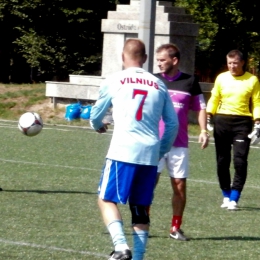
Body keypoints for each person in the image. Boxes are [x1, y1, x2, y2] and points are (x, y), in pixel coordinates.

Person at [90, 39, 179, 260]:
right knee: (140, 207)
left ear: (123, 56)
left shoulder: (115, 80)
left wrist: (97, 125)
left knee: (105, 198)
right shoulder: (159, 84)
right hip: (150, 153)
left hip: (123, 150)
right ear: (146, 59)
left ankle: (121, 247)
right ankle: (139, 257)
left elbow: (95, 115)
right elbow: (173, 124)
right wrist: (160, 150)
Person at [153, 43, 209, 241]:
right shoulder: (153, 81)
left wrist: (203, 130)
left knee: (179, 186)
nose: (158, 63)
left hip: (179, 144)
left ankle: (175, 227)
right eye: (157, 60)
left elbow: (201, 107)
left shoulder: (190, 81)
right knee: (149, 184)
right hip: (155, 143)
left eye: (162, 60)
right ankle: (142, 222)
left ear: (174, 60)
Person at [206, 49, 260, 210]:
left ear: (243, 63)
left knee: (240, 161)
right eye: (229, 63)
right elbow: (214, 98)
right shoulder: (221, 78)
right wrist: (209, 115)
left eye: (235, 63)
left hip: (242, 123)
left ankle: (234, 198)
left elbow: (257, 102)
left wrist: (257, 122)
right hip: (222, 121)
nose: (232, 66)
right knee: (222, 161)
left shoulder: (252, 80)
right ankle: (226, 195)